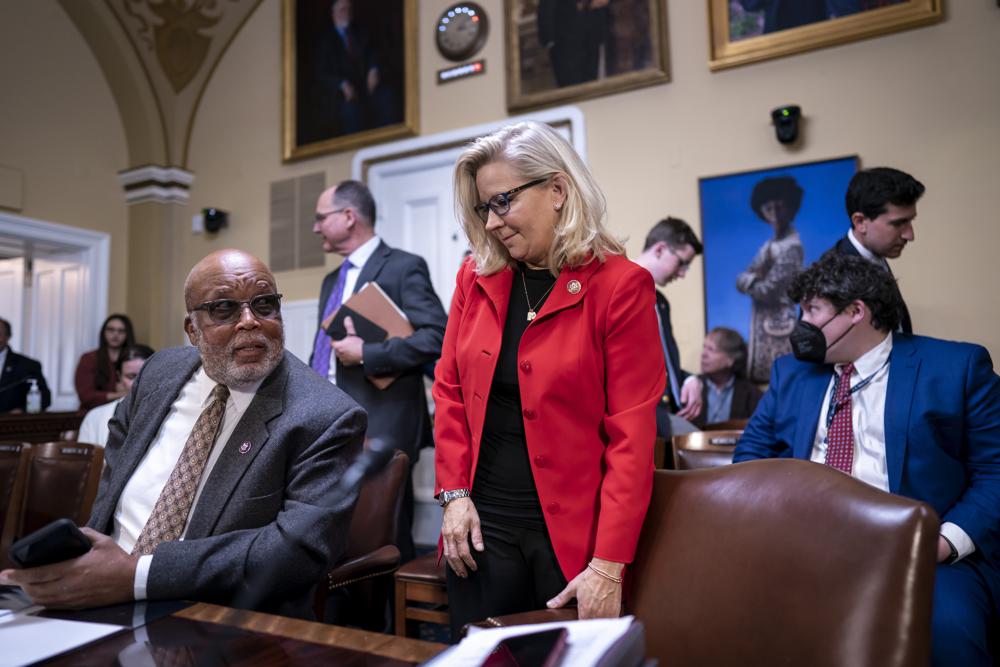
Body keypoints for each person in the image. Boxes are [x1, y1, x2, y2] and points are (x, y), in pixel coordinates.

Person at [2, 250, 366, 619]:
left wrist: (136, 576)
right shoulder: (159, 371)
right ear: (192, 330)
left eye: (264, 304)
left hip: (212, 616)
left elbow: (297, 551)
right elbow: (117, 463)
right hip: (93, 592)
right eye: (224, 309)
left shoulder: (325, 415)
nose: (249, 322)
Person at [435, 121, 663, 634]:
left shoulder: (621, 287)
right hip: (478, 531)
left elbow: (632, 438)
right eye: (483, 208)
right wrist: (453, 496)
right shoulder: (474, 279)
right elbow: (449, 390)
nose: (491, 223)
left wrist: (607, 566)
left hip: (572, 540)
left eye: (502, 202)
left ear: (557, 190)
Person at [733, 254, 999, 666]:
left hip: (919, 551)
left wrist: (944, 543)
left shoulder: (956, 368)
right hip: (802, 544)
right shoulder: (791, 374)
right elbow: (750, 456)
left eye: (812, 310)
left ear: (856, 311)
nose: (800, 324)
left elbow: (994, 470)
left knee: (950, 632)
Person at [310, 179, 446, 562]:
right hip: (332, 421)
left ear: (348, 216)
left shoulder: (403, 267)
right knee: (341, 534)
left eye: (321, 218)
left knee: (385, 536)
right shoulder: (329, 280)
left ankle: (389, 623)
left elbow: (437, 337)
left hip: (385, 423)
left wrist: (368, 353)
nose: (316, 227)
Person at [823, 166, 924, 334]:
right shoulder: (830, 276)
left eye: (910, 221)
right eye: (899, 223)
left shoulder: (875, 253)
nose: (910, 235)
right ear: (860, 222)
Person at [633, 217, 705, 439]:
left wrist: (691, 379)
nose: (682, 273)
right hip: (643, 419)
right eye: (682, 263)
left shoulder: (660, 301)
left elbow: (660, 364)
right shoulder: (620, 291)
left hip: (668, 415)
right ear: (660, 249)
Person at [736, 176, 805, 383]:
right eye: (768, 208)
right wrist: (750, 280)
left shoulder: (792, 248)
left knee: (782, 379)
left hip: (781, 326)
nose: (774, 213)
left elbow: (768, 290)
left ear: (790, 208)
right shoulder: (769, 245)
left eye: (779, 207)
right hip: (765, 324)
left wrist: (749, 281)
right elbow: (744, 276)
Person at [313, 0, 400, 137]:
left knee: (387, 96)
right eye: (342, 9)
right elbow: (322, 74)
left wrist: (374, 69)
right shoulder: (326, 42)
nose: (346, 13)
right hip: (342, 94)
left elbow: (373, 54)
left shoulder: (361, 32)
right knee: (351, 111)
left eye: (348, 9)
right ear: (334, 14)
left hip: (367, 87)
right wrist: (342, 84)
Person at [77, 344, 154, 446]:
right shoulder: (94, 418)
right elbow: (86, 461)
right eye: (131, 377)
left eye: (145, 375)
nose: (138, 383)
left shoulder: (171, 414)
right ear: (119, 376)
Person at [692, 327, 762, 428]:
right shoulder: (692, 386)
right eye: (704, 347)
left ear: (731, 359)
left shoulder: (752, 395)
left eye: (711, 349)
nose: (703, 354)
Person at [74, 313, 135, 410]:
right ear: (104, 332)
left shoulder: (135, 361)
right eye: (111, 330)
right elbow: (86, 396)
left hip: (125, 413)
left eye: (121, 331)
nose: (115, 334)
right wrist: (121, 394)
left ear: (127, 334)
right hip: (92, 413)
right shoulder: (89, 358)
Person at [0, 317, 51, 413]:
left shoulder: (27, 366)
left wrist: (22, 411)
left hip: (12, 424)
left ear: (8, 336)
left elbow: (45, 398)